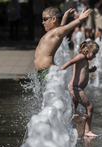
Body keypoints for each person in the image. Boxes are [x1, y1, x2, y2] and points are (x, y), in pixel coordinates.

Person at [34, 6, 90, 138]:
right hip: (44, 74)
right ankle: (77, 119)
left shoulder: (56, 32)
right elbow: (60, 29)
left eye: (44, 19)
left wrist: (79, 20)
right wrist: (64, 17)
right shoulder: (54, 32)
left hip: (49, 73)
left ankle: (79, 119)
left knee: (56, 105)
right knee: (54, 104)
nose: (42, 22)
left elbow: (65, 29)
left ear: (53, 19)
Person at [61, 40, 99, 137]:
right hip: (76, 88)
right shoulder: (81, 57)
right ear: (86, 51)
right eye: (94, 54)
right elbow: (70, 62)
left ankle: (66, 128)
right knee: (90, 107)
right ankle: (88, 130)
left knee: (72, 111)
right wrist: (61, 68)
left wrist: (90, 70)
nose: (95, 56)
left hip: (76, 88)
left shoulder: (84, 59)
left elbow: (82, 71)